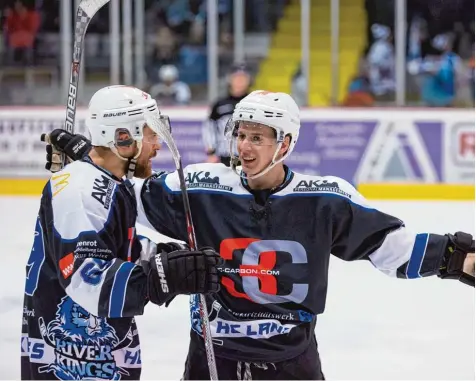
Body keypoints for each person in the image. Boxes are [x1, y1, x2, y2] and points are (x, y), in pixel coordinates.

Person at [43, 90, 475, 380]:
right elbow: (125, 194)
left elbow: (393, 248)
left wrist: (459, 260)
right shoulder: (200, 185)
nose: (244, 148)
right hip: (213, 359)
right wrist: (88, 157)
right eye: (241, 135)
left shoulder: (324, 199)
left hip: (292, 362)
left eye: (258, 138)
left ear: (285, 144)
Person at [23, 85, 222, 380]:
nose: (157, 145)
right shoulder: (81, 193)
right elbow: (86, 279)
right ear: (123, 138)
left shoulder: (112, 181)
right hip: (71, 360)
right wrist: (161, 276)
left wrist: (162, 255)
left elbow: (114, 244)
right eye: (151, 134)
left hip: (99, 353)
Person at [202, 63, 252, 166]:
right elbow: (209, 128)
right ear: (229, 79)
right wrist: (211, 153)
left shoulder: (255, 102)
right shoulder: (219, 104)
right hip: (224, 158)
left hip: (249, 157)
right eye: (236, 77)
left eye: (243, 77)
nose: (239, 81)